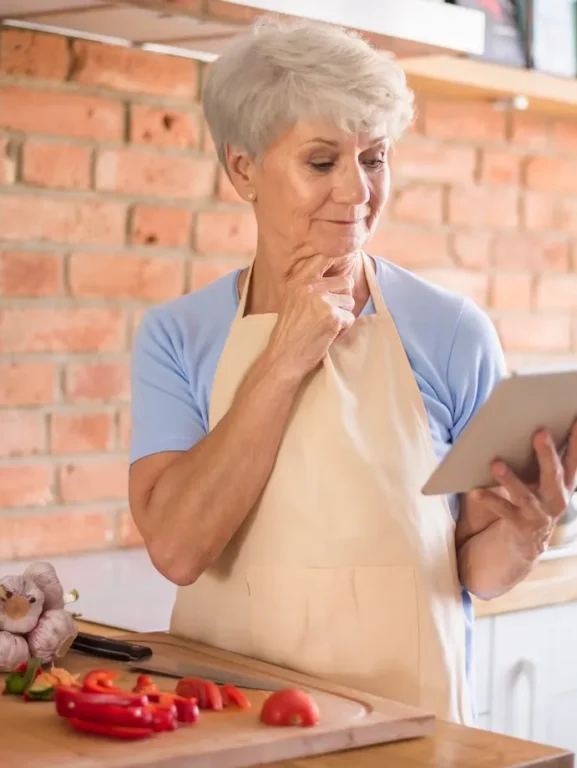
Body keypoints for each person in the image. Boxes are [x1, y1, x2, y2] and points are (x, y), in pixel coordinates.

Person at [128, 18, 577, 725]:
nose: (356, 192)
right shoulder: (178, 336)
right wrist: (284, 358)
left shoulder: (452, 332)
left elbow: (472, 571)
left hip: (405, 727)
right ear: (242, 167)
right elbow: (180, 550)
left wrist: (525, 532)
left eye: (373, 158)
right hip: (227, 724)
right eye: (320, 161)